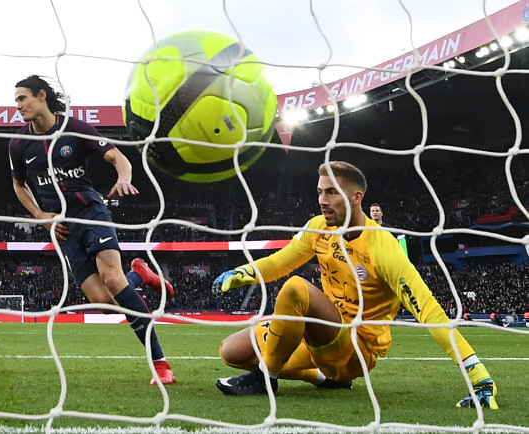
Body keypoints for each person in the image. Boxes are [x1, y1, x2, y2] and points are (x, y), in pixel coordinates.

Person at [211, 161, 498, 409]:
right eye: (320, 192)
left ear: (357, 197)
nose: (323, 200)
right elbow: (280, 261)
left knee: (296, 289)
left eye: (332, 192)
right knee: (231, 351)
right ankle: (323, 378)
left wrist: (477, 374)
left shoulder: (382, 247)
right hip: (322, 335)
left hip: (356, 347)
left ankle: (265, 380)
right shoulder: (318, 228)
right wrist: (243, 271)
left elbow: (427, 309)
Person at [8, 75, 176, 385]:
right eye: (16, 100)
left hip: (92, 211)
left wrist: (123, 177)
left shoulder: (76, 128)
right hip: (64, 227)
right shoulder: (19, 144)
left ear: (41, 95)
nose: (18, 105)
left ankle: (160, 363)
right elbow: (18, 185)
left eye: (22, 98)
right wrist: (41, 215)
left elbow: (118, 158)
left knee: (113, 277)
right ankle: (141, 273)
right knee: (106, 306)